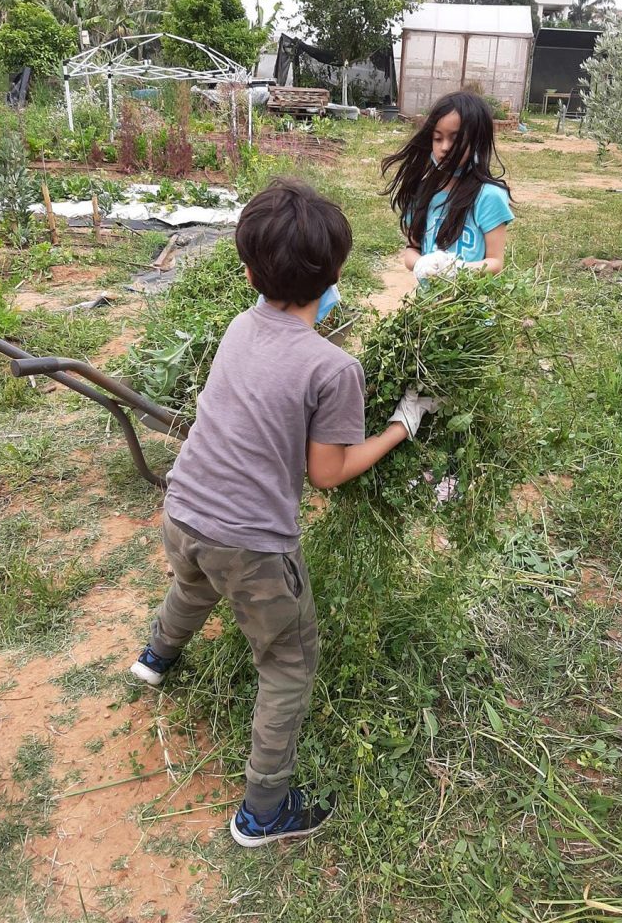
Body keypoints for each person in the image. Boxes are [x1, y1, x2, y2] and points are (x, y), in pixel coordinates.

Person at [130, 179, 437, 848]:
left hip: (183, 511)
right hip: (254, 548)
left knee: (193, 583)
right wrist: (399, 428)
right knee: (289, 662)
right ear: (336, 277)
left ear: (247, 271)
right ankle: (264, 811)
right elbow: (326, 473)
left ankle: (155, 657)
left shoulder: (242, 326)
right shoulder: (334, 369)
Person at [382, 90, 514, 281]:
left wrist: (457, 270)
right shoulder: (422, 192)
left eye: (455, 138)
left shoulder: (488, 196)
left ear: (477, 141)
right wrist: (421, 264)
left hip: (471, 308)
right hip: (428, 306)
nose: (444, 147)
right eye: (438, 138)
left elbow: (495, 262)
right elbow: (412, 249)